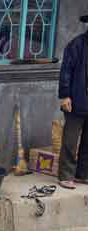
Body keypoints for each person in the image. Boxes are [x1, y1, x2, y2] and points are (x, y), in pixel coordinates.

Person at [57, 15, 88, 190]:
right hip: (76, 100)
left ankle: (83, 174)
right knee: (70, 140)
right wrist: (65, 95)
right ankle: (66, 175)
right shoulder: (77, 44)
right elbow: (66, 70)